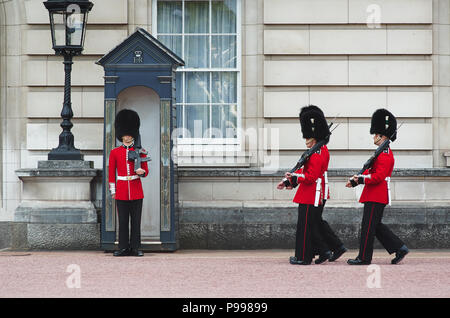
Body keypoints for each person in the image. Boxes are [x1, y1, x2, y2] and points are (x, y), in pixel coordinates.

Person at [346, 109, 409, 265]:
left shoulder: (385, 154)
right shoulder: (381, 152)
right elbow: (370, 171)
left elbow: (378, 177)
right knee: (375, 226)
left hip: (377, 194)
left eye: (376, 134)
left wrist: (360, 179)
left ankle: (364, 258)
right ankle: (399, 248)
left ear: (382, 136)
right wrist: (356, 180)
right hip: (373, 193)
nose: (374, 137)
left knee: (368, 227)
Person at [277, 105, 331, 265]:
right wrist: (289, 181)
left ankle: (304, 257)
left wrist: (295, 177)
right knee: (309, 226)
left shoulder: (316, 154)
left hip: (310, 194)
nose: (306, 140)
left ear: (314, 138)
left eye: (308, 138)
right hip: (309, 192)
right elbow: (302, 170)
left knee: (305, 227)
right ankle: (322, 251)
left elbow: (310, 176)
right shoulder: (316, 151)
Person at [109, 109, 149, 257]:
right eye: (125, 135)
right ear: (121, 135)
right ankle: (123, 247)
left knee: (136, 222)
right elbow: (111, 173)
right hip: (121, 191)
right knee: (123, 221)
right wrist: (113, 190)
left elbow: (146, 170)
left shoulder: (141, 151)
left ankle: (136, 247)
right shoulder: (115, 152)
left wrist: (141, 172)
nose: (127, 137)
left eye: (129, 134)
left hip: (136, 189)